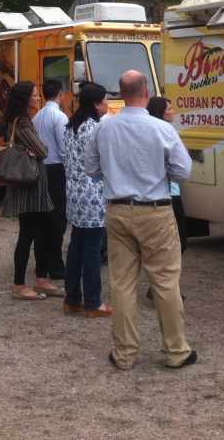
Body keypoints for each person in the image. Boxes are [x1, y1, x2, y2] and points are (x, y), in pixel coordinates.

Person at [86, 70, 195, 370]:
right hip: (156, 210)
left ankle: (124, 354)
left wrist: (117, 175)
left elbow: (91, 168)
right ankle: (175, 351)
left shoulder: (103, 128)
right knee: (165, 283)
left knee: (122, 285)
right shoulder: (162, 128)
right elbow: (183, 172)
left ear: (120, 94)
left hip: (118, 209)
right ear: (146, 93)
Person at [1, 81, 62, 301]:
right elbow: (43, 150)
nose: (38, 98)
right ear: (25, 98)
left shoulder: (21, 121)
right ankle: (20, 284)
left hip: (33, 187)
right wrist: (38, 150)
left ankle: (40, 279)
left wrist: (36, 150)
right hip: (30, 188)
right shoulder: (24, 123)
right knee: (30, 234)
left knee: (47, 231)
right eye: (35, 95)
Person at [63, 83, 112, 317]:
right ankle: (93, 301)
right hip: (94, 193)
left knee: (76, 245)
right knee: (93, 248)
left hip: (74, 192)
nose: (108, 104)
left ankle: (72, 298)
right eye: (105, 100)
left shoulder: (72, 126)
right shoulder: (96, 128)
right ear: (96, 103)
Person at [146, 97, 188, 302]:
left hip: (171, 191)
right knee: (177, 242)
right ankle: (161, 287)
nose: (173, 112)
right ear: (161, 112)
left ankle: (159, 287)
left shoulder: (153, 132)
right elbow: (181, 169)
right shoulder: (165, 133)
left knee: (175, 243)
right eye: (169, 109)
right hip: (169, 194)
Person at [33, 79, 69, 280]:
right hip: (56, 169)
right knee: (57, 219)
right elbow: (64, 149)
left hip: (40, 168)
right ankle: (55, 265)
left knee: (42, 219)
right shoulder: (59, 116)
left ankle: (42, 261)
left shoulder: (36, 116)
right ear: (61, 93)